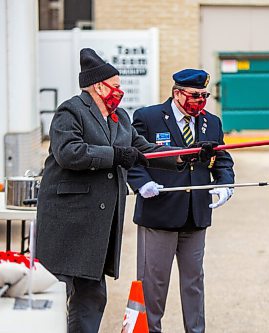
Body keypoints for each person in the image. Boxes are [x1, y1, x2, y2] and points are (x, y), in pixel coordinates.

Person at [35, 49, 216, 333]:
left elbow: (145, 149)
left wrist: (189, 154)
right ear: (98, 86)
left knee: (93, 295)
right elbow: (69, 153)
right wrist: (116, 155)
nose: (120, 92)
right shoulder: (71, 111)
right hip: (68, 223)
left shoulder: (119, 116)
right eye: (116, 86)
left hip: (98, 225)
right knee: (57, 293)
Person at [127, 69, 235, 333]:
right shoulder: (148, 118)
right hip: (159, 213)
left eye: (204, 95)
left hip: (195, 215)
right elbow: (133, 156)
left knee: (194, 283)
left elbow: (222, 160)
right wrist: (142, 184)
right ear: (177, 93)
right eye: (195, 95)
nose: (201, 101)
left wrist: (224, 184)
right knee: (153, 285)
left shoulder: (212, 122)